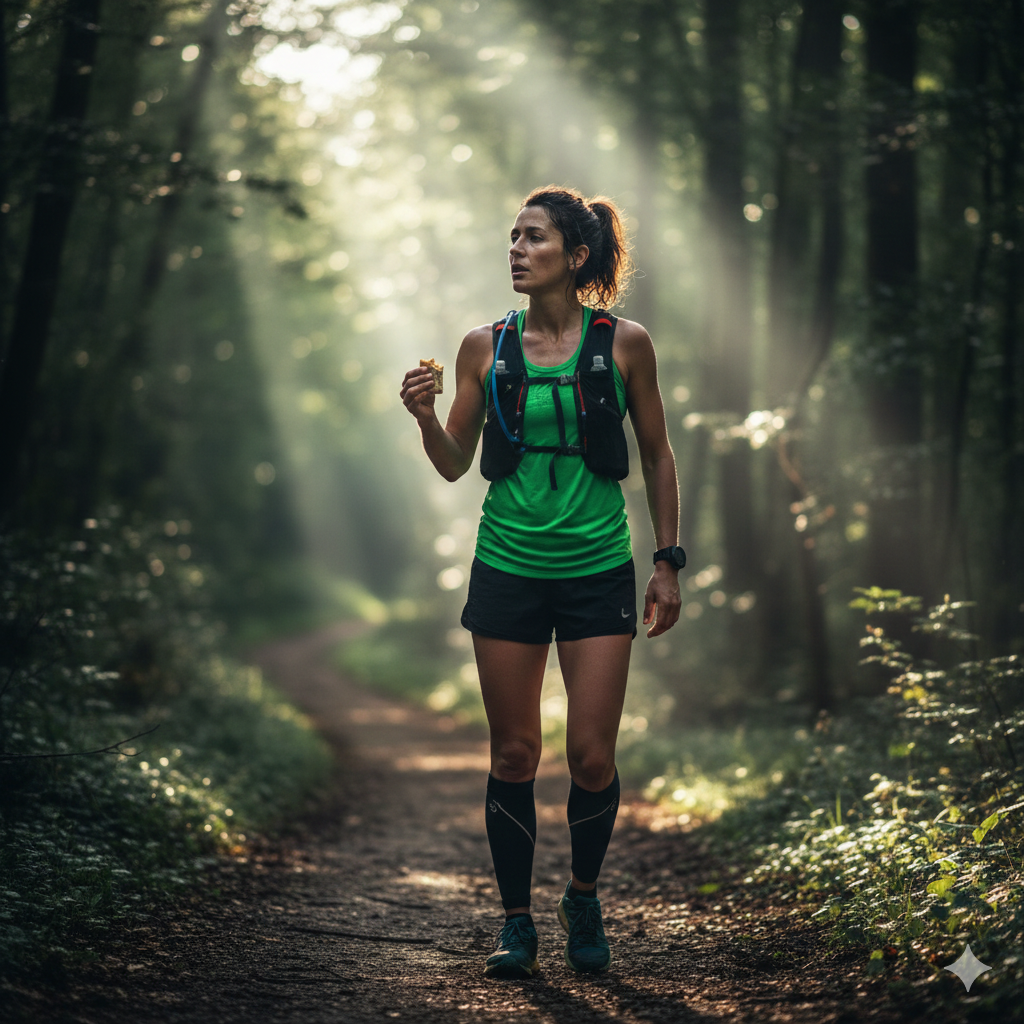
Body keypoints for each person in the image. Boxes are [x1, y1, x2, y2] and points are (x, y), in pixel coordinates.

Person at [399, 185, 684, 978]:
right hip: (508, 567)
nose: (517, 250)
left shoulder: (624, 342)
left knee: (592, 756)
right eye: (513, 237)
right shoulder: (482, 347)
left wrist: (667, 561)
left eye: (534, 238)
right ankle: (517, 922)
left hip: (598, 569)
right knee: (515, 754)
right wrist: (425, 418)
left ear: (577, 255)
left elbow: (659, 455)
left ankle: (583, 899)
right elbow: (456, 464)